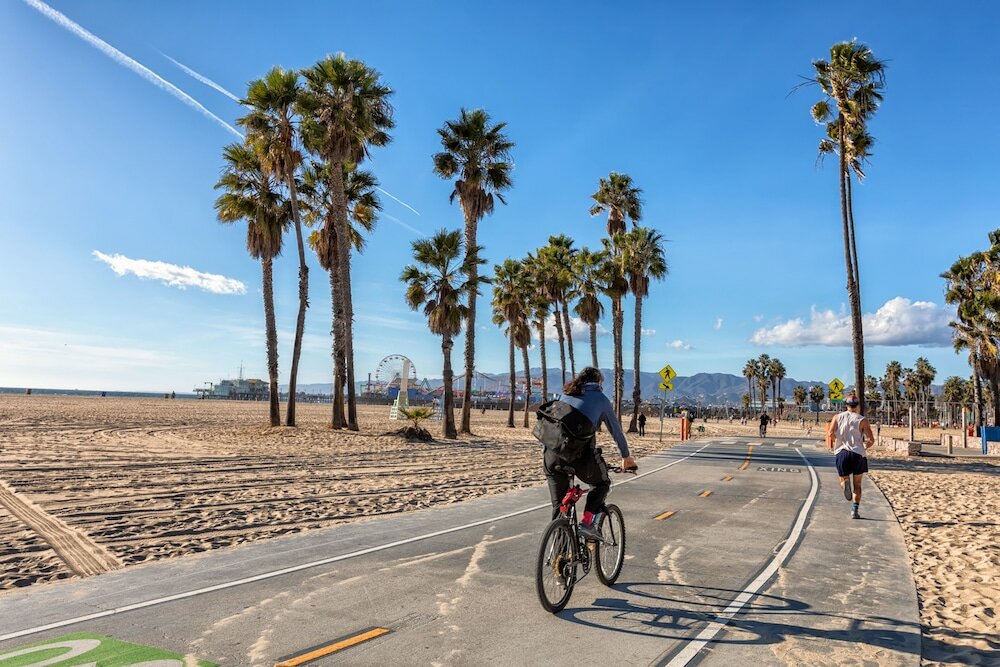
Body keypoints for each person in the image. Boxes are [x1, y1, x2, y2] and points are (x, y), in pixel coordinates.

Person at [543, 367, 636, 540]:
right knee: (602, 484)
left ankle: (560, 556)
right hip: (579, 457)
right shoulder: (601, 399)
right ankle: (587, 523)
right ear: (599, 382)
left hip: (551, 456)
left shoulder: (566, 394)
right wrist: (626, 457)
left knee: (559, 508)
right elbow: (616, 431)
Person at [826, 393, 875, 519]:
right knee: (858, 484)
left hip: (842, 452)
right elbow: (871, 439)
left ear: (846, 405)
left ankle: (845, 484)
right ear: (857, 405)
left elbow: (830, 433)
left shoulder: (837, 417)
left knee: (843, 478)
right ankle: (854, 510)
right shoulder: (862, 420)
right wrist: (864, 447)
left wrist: (837, 441)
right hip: (857, 453)